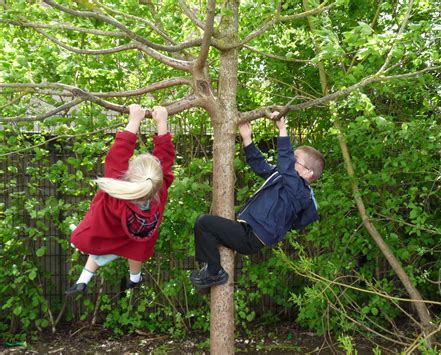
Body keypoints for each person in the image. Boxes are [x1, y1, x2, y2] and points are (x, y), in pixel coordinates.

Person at [190, 112, 324, 290]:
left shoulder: (300, 193)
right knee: (210, 230)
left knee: (204, 223)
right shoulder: (281, 177)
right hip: (247, 230)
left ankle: (214, 273)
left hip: (252, 237)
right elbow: (261, 166)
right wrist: (247, 139)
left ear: (308, 173)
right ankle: (212, 269)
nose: (289, 160)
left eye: (294, 159)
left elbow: (284, 165)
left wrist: (282, 130)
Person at [66, 104, 175, 294]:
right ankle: (135, 277)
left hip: (111, 233)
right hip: (135, 236)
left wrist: (134, 120)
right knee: (136, 246)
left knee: (100, 245)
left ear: (129, 173)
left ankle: (83, 280)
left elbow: (118, 154)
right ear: (157, 179)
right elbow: (165, 161)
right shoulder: (159, 192)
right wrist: (162, 123)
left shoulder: (116, 190)